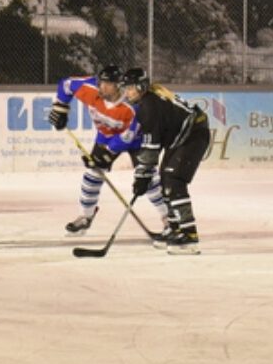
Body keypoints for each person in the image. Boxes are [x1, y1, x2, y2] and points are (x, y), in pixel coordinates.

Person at [47, 64, 163, 237]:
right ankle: (85, 216)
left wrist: (107, 152)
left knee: (149, 178)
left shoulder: (133, 105)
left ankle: (168, 219)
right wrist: (60, 109)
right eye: (101, 82)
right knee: (92, 174)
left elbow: (127, 137)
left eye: (108, 84)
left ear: (119, 86)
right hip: (106, 135)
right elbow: (65, 84)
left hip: (136, 140)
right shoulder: (90, 88)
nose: (102, 87)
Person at [117, 67, 211, 255]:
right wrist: (142, 174)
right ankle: (174, 229)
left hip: (194, 134)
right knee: (165, 179)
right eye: (124, 88)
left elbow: (152, 147)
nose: (126, 92)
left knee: (173, 179)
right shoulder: (147, 101)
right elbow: (152, 145)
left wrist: (143, 175)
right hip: (183, 136)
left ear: (141, 86)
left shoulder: (150, 106)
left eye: (129, 88)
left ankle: (189, 234)